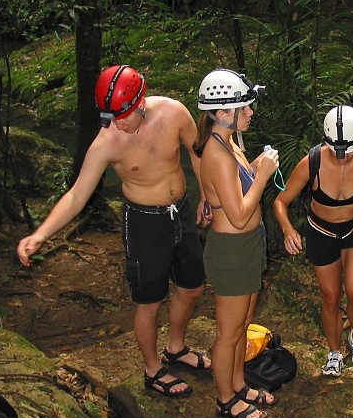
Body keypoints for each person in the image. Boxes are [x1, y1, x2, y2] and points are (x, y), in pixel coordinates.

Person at [17, 65, 211, 399]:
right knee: (149, 302)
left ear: (141, 104)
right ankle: (153, 371)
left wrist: (207, 195)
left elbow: (198, 155)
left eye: (123, 115)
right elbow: (77, 196)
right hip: (143, 223)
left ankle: (176, 347)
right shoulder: (106, 142)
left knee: (192, 287)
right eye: (110, 115)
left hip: (180, 213)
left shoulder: (174, 112)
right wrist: (40, 235)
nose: (116, 122)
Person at [273, 105, 353, 378]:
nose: (342, 158)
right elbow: (281, 201)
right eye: (337, 151)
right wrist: (288, 228)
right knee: (330, 298)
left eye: (348, 151)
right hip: (321, 232)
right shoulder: (312, 162)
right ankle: (334, 352)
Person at [194, 68, 280, 418]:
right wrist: (261, 177)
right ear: (222, 113)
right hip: (232, 250)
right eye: (245, 107)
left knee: (243, 323)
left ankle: (239, 384)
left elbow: (236, 194)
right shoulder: (216, 153)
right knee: (228, 332)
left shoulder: (229, 143)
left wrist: (255, 166)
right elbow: (241, 214)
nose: (250, 112)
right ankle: (226, 399)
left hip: (245, 247)